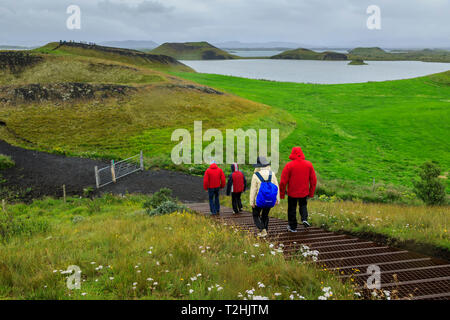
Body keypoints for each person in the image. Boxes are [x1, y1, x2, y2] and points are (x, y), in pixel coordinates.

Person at [279, 147, 317, 232]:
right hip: (304, 192)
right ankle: (304, 218)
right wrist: (311, 193)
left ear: (292, 153)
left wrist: (281, 194)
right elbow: (313, 180)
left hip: (292, 193)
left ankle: (293, 227)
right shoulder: (309, 164)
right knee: (303, 205)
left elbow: (283, 182)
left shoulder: (289, 165)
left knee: (292, 208)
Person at [249, 156, 280, 238]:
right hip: (270, 199)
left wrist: (251, 202)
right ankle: (265, 230)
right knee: (265, 215)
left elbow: (253, 189)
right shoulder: (272, 174)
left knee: (256, 215)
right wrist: (277, 199)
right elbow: (276, 187)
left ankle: (262, 229)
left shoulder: (256, 175)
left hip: (259, 200)